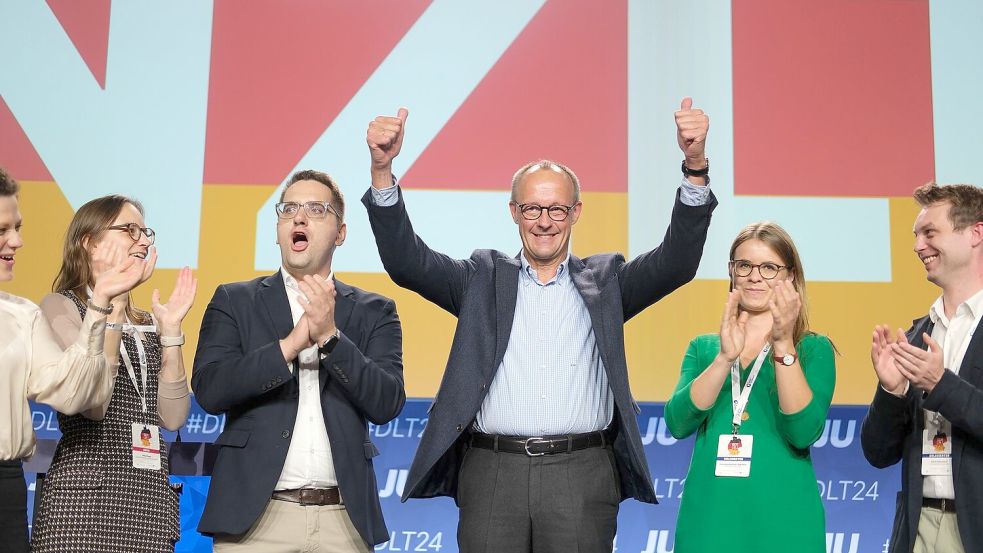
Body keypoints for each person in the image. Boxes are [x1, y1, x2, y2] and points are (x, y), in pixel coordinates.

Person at [363, 99, 715, 552]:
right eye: (531, 209)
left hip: (582, 474)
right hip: (493, 474)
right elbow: (407, 261)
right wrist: (382, 172)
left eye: (557, 210)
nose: (544, 222)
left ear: (576, 212)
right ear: (513, 212)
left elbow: (677, 263)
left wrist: (695, 166)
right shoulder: (479, 278)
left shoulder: (607, 282)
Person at [192, 169, 405, 551]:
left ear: (340, 233)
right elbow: (211, 389)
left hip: (342, 520)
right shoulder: (235, 300)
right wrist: (288, 346)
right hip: (255, 524)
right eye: (288, 209)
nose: (299, 218)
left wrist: (330, 338)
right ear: (277, 230)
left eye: (316, 209)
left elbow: (387, 402)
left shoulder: (376, 311)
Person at [30, 194, 197, 552]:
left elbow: (173, 417)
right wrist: (114, 305)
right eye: (130, 230)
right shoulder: (62, 306)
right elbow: (93, 404)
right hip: (84, 506)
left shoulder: (145, 323)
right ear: (89, 242)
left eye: (145, 232)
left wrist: (170, 333)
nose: (144, 241)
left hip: (148, 505)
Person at [664, 222, 836, 552]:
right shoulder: (704, 348)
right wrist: (724, 358)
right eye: (745, 266)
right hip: (708, 523)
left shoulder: (813, 349)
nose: (755, 276)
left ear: (791, 276)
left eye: (769, 267)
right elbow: (677, 423)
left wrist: (783, 343)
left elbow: (802, 432)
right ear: (733, 272)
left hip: (785, 525)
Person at [0, 168, 146, 553]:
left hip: (5, 488)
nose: (17, 241)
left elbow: (77, 395)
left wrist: (101, 304)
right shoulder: (53, 307)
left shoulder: (22, 315)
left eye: (17, 227)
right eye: (3, 230)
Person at [861, 183, 983, 553]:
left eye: (930, 232)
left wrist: (941, 384)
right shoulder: (918, 334)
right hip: (917, 531)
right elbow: (878, 453)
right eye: (916, 235)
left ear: (976, 233)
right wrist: (892, 392)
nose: (917, 246)